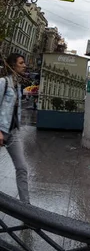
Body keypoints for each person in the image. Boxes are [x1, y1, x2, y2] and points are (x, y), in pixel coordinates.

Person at [0, 53, 30, 203]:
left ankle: (26, 207)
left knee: (22, 167)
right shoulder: (2, 83)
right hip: (1, 131)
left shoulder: (18, 85)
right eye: (21, 63)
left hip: (13, 133)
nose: (24, 65)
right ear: (13, 66)